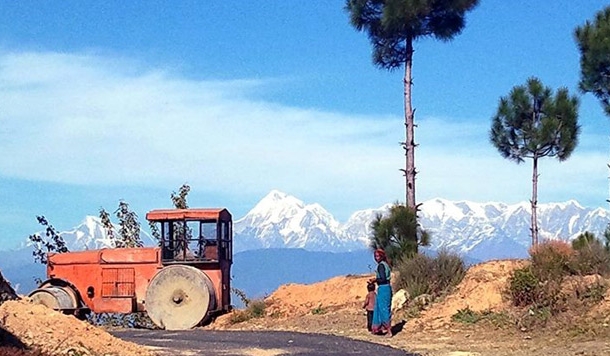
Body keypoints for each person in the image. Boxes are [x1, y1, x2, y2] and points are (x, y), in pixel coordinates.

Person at [369, 248, 392, 336]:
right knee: (380, 307)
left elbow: (382, 278)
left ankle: (389, 330)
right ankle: (380, 328)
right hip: (386, 288)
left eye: (378, 256)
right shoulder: (386, 265)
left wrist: (375, 280)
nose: (376, 258)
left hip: (383, 288)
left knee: (383, 309)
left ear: (382, 256)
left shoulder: (381, 266)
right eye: (375, 256)